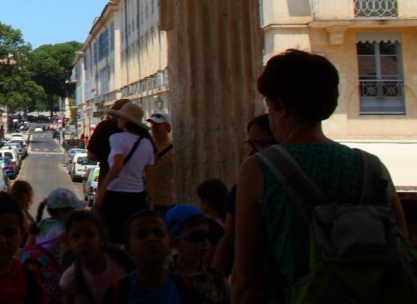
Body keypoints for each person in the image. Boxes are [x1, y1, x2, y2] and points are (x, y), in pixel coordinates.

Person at [232, 49, 410, 303]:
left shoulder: (259, 169)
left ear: (280, 106)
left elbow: (245, 280)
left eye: (269, 106)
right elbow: (401, 252)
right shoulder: (373, 167)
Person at [211, 113, 275, 277]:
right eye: (250, 145)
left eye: (260, 144)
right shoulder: (241, 190)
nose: (252, 152)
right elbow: (231, 238)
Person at [93, 101, 156, 245]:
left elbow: (117, 165)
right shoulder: (146, 143)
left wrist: (102, 190)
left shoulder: (116, 138)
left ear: (126, 121)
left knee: (112, 236)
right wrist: (152, 200)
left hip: (115, 194)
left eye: (120, 117)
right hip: (137, 196)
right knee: (133, 235)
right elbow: (150, 173)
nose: (118, 120)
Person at [102, 210, 198, 303]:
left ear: (170, 244)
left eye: (158, 233)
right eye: (142, 235)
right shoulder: (118, 292)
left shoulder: (185, 287)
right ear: (128, 248)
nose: (152, 239)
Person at [58, 210, 132, 304]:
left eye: (89, 235)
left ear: (101, 237)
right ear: (68, 243)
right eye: (76, 237)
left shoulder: (121, 257)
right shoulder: (70, 278)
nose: (82, 241)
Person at [166, 205, 229, 303]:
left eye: (208, 236)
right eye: (198, 237)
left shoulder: (218, 280)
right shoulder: (162, 280)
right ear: (175, 243)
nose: (206, 242)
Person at [86, 99, 130, 189]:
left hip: (108, 183)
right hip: (135, 189)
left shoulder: (104, 126)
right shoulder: (141, 132)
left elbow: (91, 155)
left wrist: (105, 158)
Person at [146, 111, 175, 216]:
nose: (154, 128)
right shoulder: (146, 145)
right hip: (147, 200)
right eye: (152, 125)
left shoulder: (175, 149)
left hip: (167, 201)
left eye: (158, 125)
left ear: (167, 128)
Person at [10, 180, 37, 246]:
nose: (30, 194)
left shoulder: (22, 208)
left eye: (30, 190)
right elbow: (28, 228)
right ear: (19, 194)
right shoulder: (18, 209)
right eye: (26, 192)